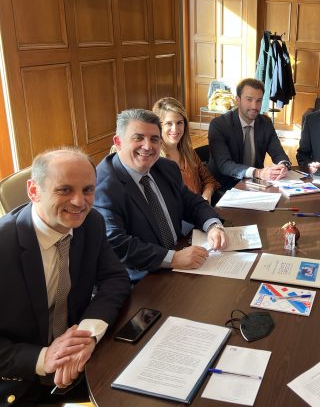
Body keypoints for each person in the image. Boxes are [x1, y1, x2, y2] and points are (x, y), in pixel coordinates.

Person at [0, 148, 130, 405]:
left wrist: (86, 335)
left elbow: (115, 279)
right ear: (33, 190)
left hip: (78, 365)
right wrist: (44, 358)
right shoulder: (3, 245)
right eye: (64, 190)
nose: (80, 202)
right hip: (16, 379)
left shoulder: (91, 222)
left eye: (88, 190)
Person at [94, 109, 227, 282]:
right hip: (141, 278)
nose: (148, 146)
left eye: (154, 139)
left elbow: (192, 203)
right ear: (118, 142)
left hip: (181, 260)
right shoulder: (103, 186)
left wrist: (213, 226)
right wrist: (173, 258)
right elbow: (116, 243)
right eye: (138, 138)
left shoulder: (165, 168)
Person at [208, 78, 291, 190]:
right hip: (225, 185)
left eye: (259, 100)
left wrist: (283, 165)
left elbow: (278, 153)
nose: (254, 106)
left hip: (255, 184)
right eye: (249, 99)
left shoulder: (265, 122)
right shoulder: (219, 125)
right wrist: (258, 172)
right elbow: (224, 165)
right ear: (238, 100)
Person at [152, 97, 220, 204]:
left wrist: (207, 194)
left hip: (201, 209)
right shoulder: (154, 161)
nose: (175, 129)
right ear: (158, 127)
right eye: (169, 123)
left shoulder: (188, 152)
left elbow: (209, 180)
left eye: (179, 123)